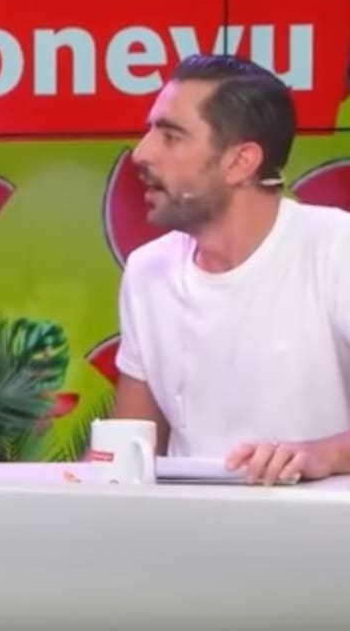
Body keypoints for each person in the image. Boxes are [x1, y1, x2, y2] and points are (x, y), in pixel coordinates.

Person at [111, 53, 350, 486]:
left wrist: (325, 455)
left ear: (240, 162)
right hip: (188, 526)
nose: (141, 153)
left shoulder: (335, 249)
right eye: (150, 132)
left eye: (171, 137)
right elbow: (124, 458)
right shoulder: (148, 272)